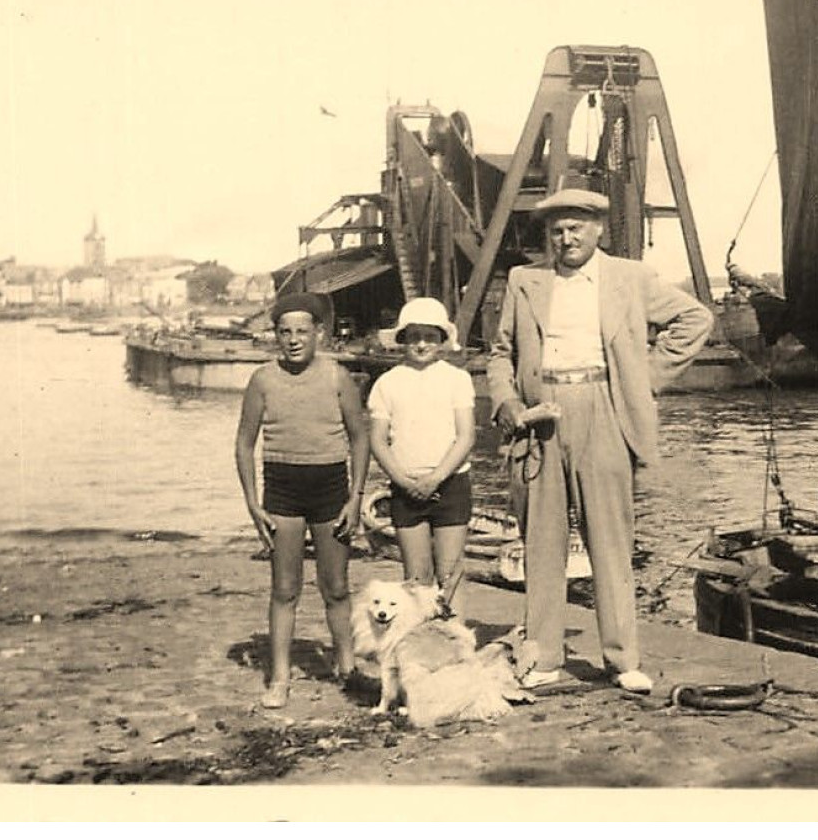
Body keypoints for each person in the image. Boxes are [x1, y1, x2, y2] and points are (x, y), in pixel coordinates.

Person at [485, 179, 713, 695]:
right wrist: (507, 403)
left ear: (598, 230)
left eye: (576, 229)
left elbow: (694, 319)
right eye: (557, 230)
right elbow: (499, 353)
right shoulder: (525, 280)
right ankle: (543, 657)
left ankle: (622, 658)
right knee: (540, 543)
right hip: (539, 415)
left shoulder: (628, 277)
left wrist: (642, 379)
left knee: (610, 541)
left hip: (603, 409)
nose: (566, 239)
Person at [235, 291, 371, 709]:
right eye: (284, 331)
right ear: (275, 335)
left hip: (331, 487)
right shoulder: (262, 380)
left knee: (336, 587)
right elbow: (244, 444)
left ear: (319, 334)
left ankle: (347, 668)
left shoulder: (336, 377)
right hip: (283, 489)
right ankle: (279, 678)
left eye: (302, 331)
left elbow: (360, 437)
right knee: (285, 589)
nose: (293, 339)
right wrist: (252, 503)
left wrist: (355, 499)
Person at [367, 297, 477, 590]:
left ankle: (454, 635)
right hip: (406, 487)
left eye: (430, 337)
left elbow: (466, 436)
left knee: (450, 575)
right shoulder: (387, 383)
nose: (421, 344)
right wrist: (402, 480)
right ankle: (419, 636)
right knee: (416, 579)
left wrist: (436, 477)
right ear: (402, 339)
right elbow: (377, 439)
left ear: (442, 340)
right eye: (414, 336)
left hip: (451, 483)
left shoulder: (457, 379)